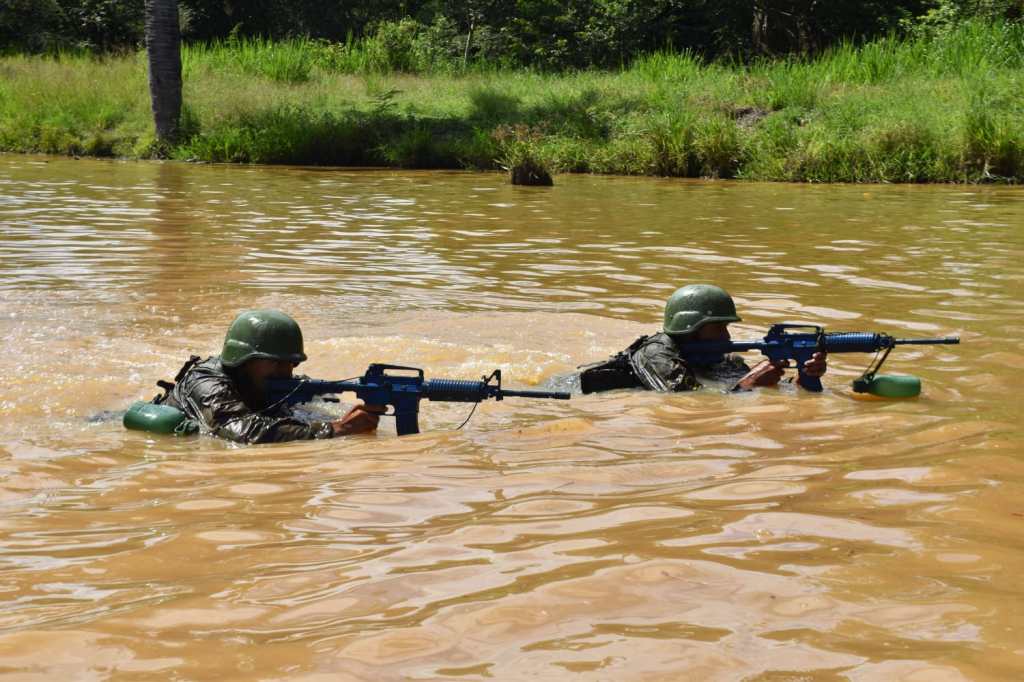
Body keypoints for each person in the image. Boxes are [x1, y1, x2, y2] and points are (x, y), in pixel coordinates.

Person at [158, 310, 383, 444]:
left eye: (292, 362)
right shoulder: (206, 384)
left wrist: (346, 407)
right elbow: (242, 430)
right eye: (276, 362)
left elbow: (314, 396)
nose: (286, 371)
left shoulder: (263, 382)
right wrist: (336, 428)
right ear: (245, 360)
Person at [579, 284, 827, 394]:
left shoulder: (721, 361)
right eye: (718, 327)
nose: (727, 336)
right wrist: (749, 383)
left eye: (726, 327)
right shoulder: (656, 354)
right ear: (690, 328)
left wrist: (803, 377)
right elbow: (688, 404)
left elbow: (770, 391)